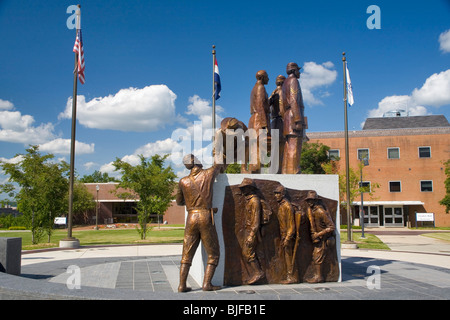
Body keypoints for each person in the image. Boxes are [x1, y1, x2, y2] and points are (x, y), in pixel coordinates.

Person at [176, 154, 225, 292]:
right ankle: (207, 284)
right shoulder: (208, 174)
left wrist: (192, 201)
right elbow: (218, 164)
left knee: (187, 253)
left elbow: (180, 202)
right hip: (205, 216)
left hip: (191, 217)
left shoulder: (183, 181)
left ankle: (182, 285)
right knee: (214, 253)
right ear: (196, 162)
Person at [305, 190, 336, 283]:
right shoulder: (311, 210)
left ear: (316, 201)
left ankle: (319, 277)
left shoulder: (320, 211)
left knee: (317, 257)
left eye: (312, 200)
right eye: (308, 200)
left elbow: (331, 227)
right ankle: (317, 275)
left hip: (323, 239)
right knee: (316, 256)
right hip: (316, 238)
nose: (310, 202)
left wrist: (318, 234)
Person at [238, 178, 265, 284]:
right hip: (248, 230)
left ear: (250, 188)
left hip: (252, 231)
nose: (243, 190)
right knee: (247, 252)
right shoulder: (249, 199)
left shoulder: (254, 201)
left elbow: (256, 220)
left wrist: (251, 235)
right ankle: (256, 273)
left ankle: (258, 273)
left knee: (248, 253)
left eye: (244, 188)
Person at [281, 62, 306, 174]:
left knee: (288, 146)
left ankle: (286, 170)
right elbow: (294, 100)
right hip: (293, 116)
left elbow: (282, 104)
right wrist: (298, 119)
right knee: (294, 145)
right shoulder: (293, 81)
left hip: (287, 116)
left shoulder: (285, 83)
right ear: (294, 70)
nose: (299, 72)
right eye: (298, 70)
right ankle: (293, 171)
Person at [248, 70, 270, 173]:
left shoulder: (254, 88)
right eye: (267, 77)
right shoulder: (261, 87)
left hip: (254, 119)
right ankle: (256, 173)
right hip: (258, 120)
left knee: (255, 149)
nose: (268, 79)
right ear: (261, 78)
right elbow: (260, 106)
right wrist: (264, 125)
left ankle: (254, 172)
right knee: (258, 148)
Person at [274, 185, 296, 284]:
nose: (276, 195)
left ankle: (291, 277)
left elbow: (291, 225)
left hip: (288, 236)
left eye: (278, 193)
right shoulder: (281, 205)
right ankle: (287, 275)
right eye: (275, 193)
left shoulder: (287, 206)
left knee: (289, 256)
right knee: (285, 256)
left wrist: (287, 238)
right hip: (283, 235)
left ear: (283, 194)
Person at [269, 75, 286, 173]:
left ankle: (273, 169)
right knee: (280, 148)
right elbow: (283, 108)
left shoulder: (273, 93)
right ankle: (277, 170)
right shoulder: (282, 93)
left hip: (273, 122)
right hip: (280, 122)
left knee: (274, 147)